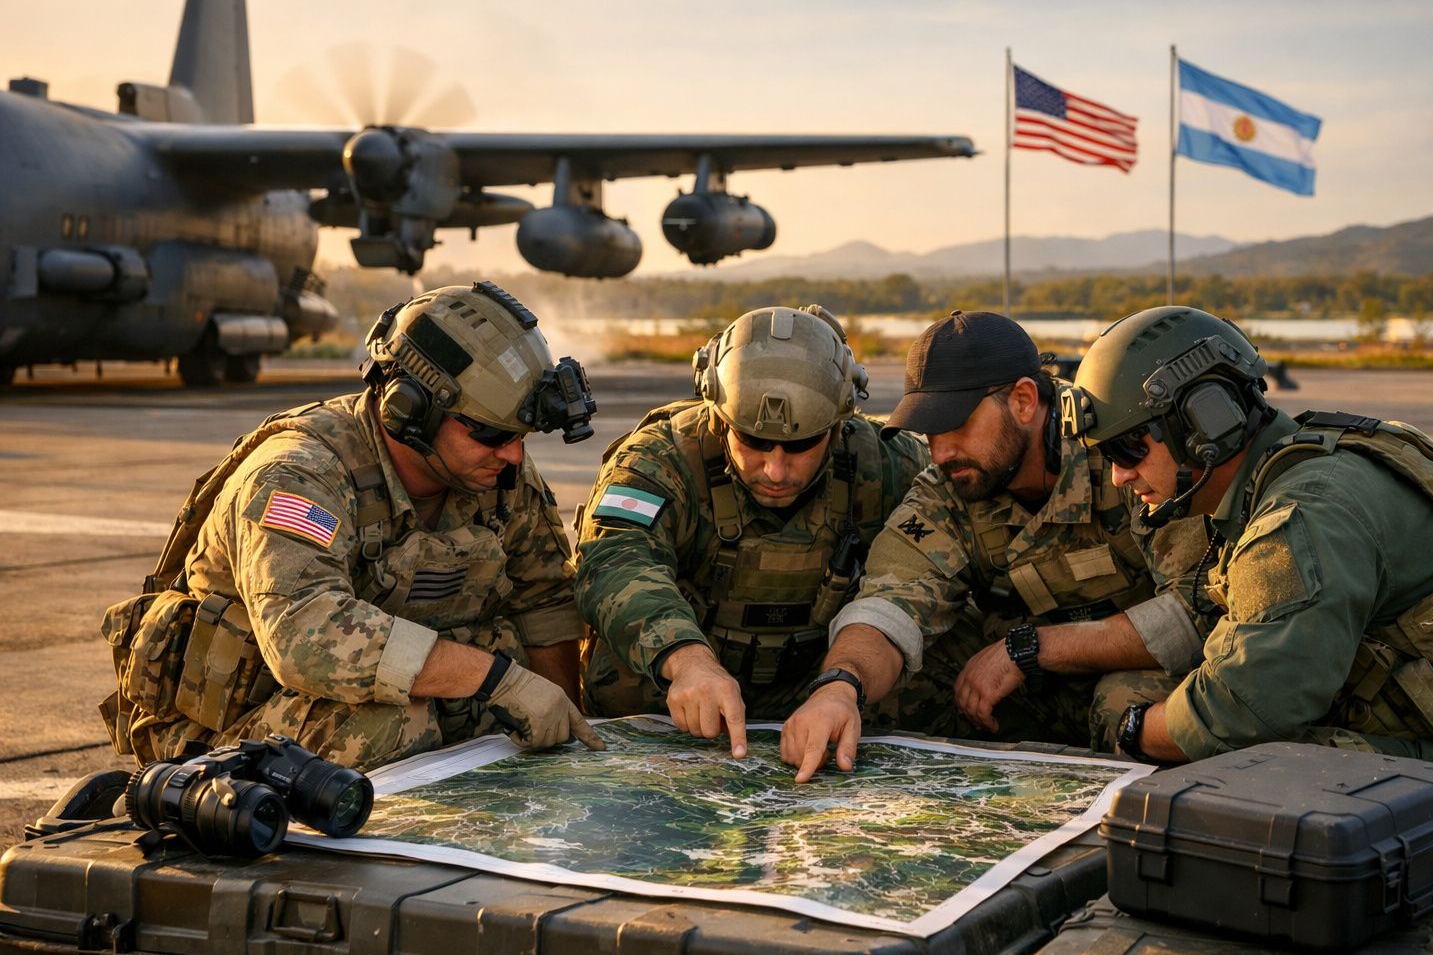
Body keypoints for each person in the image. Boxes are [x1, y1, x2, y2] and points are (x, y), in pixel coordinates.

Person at [1056, 304, 1433, 858]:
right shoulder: (1325, 454)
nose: (1120, 475)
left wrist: (1133, 730)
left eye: (1128, 447)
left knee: (1245, 767)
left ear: (1204, 423)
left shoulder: (1304, 513)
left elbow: (1240, 715)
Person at [100, 281, 606, 771]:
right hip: (238, 727)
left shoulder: (495, 470)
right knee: (390, 726)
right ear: (409, 410)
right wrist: (495, 680)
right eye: (491, 434)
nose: (512, 454)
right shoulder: (299, 473)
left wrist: (562, 724)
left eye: (519, 436)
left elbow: (542, 599)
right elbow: (304, 632)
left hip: (393, 700)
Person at [780, 311, 1211, 781]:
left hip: (1143, 674)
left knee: (1125, 703)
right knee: (901, 678)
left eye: (956, 425)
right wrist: (841, 685)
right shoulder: (947, 489)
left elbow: (1197, 609)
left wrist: (1033, 648)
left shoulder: (1125, 451)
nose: (940, 452)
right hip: (1021, 691)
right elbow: (890, 601)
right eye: (929, 432)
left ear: (1024, 401)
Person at [575, 305, 929, 757]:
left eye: (801, 445)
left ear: (839, 424)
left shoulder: (887, 461)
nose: (775, 470)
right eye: (754, 442)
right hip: (682, 691)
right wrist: (686, 659)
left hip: (824, 681)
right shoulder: (660, 458)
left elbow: (945, 547)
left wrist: (846, 681)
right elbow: (615, 561)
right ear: (719, 417)